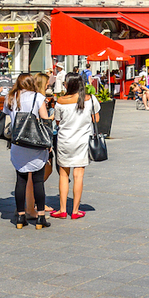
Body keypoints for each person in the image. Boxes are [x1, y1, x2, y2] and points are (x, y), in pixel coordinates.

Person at [3, 73, 52, 229]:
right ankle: (40, 218)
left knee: (21, 180)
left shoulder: (10, 98)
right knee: (38, 181)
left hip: (18, 143)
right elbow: (44, 120)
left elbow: (7, 119)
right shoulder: (37, 97)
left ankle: (20, 217)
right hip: (35, 143)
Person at [51, 74, 100, 220]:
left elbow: (58, 121)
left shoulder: (60, 101)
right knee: (78, 176)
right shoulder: (90, 98)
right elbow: (96, 118)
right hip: (83, 141)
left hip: (65, 141)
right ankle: (76, 210)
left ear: (68, 84)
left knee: (63, 175)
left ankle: (62, 209)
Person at [25, 72, 55, 218]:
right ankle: (34, 204)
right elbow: (45, 119)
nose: (49, 84)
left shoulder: (32, 97)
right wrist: (54, 115)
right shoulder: (39, 98)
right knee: (40, 173)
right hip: (40, 138)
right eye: (47, 82)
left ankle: (32, 202)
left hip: (28, 138)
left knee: (43, 171)